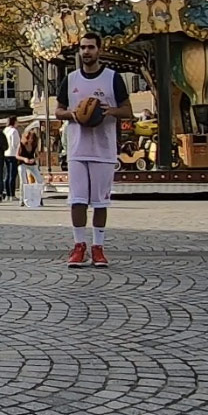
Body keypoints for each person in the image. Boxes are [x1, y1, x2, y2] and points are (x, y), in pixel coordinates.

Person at [55, 32, 132, 268]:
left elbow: (127, 110)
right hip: (78, 149)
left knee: (100, 202)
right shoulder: (71, 79)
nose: (86, 52)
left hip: (103, 149)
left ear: (99, 50)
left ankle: (98, 247)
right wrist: (74, 114)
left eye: (90, 48)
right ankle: (79, 246)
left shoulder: (113, 79)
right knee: (77, 200)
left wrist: (109, 111)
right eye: (82, 48)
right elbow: (58, 110)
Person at [15, 128, 44, 206]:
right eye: (29, 138)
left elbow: (38, 156)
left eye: (32, 138)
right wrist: (24, 159)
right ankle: (22, 199)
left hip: (31, 163)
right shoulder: (21, 144)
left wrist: (34, 159)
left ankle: (39, 198)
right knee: (23, 181)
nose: (31, 140)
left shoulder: (34, 145)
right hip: (22, 163)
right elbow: (17, 155)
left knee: (39, 180)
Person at [3, 116, 21, 200]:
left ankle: (7, 194)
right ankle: (12, 194)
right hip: (13, 154)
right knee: (12, 175)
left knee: (7, 174)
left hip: (6, 153)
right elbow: (16, 144)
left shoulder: (5, 130)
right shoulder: (14, 131)